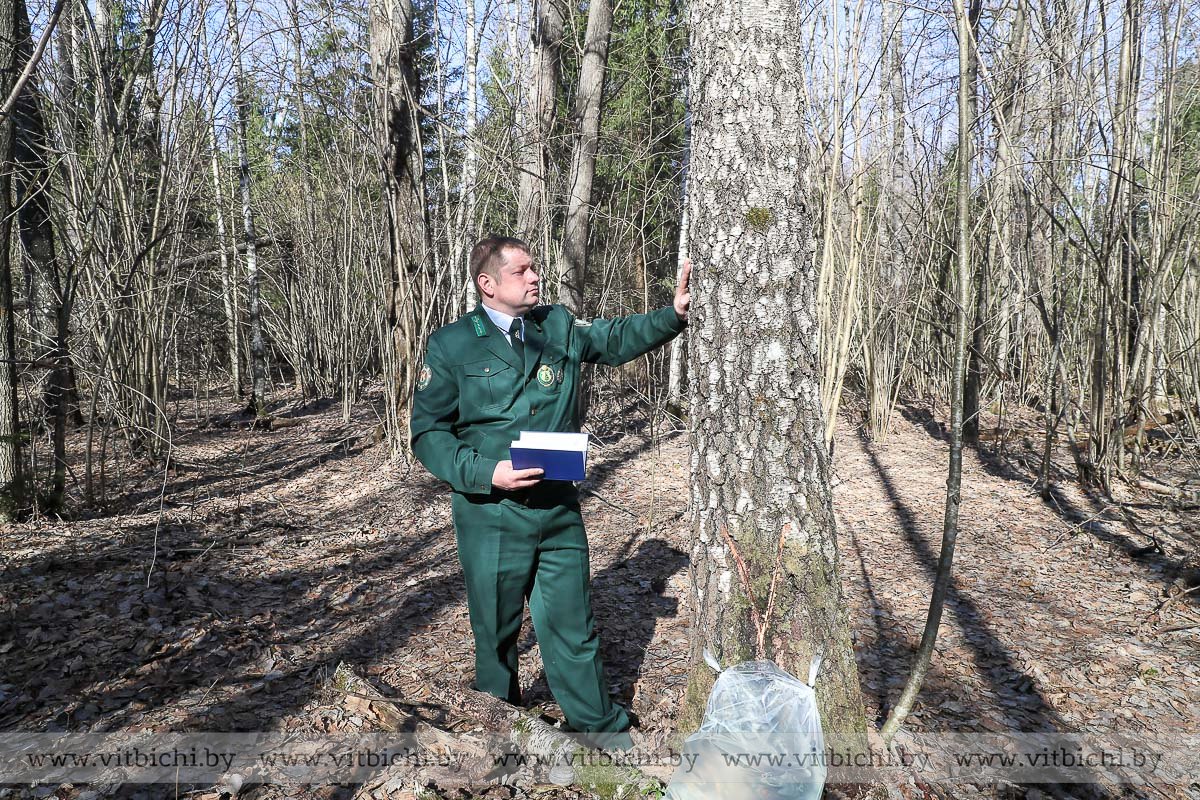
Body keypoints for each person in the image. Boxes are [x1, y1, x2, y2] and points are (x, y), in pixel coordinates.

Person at [410, 235, 691, 748]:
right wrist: (484, 472)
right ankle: (502, 731)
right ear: (487, 284)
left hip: (557, 508)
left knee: (572, 624)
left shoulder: (557, 325)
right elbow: (428, 433)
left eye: (535, 267)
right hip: (491, 513)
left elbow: (614, 337)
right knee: (495, 635)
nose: (535, 277)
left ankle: (600, 732)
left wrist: (671, 315)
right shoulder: (453, 344)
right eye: (521, 271)